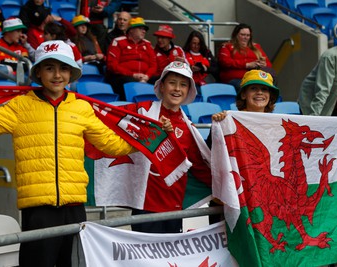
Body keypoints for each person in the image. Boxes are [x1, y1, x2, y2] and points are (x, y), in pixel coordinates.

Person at [0, 40, 136, 266]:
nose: (57, 75)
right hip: (38, 208)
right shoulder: (20, 106)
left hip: (74, 206)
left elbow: (112, 144)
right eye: (49, 68)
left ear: (71, 73)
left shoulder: (81, 108)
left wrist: (143, 140)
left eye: (63, 68)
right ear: (38, 72)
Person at [119, 61, 212, 233]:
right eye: (172, 83)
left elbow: (199, 168)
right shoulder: (141, 112)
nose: (177, 89)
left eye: (183, 85)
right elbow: (113, 119)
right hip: (144, 205)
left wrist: (226, 189)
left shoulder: (188, 128)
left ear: (188, 91)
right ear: (162, 86)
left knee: (169, 260)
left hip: (174, 207)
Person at [207, 69, 279, 224]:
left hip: (263, 202)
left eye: (264, 89)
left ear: (271, 97)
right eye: (253, 88)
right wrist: (217, 127)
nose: (259, 93)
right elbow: (211, 156)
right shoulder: (227, 121)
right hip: (232, 201)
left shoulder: (277, 126)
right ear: (244, 94)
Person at [298, 27, 337, 117]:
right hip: (312, 106)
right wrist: (313, 118)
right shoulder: (330, 57)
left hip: (335, 105)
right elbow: (322, 91)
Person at [105, 16, 157, 100]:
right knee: (128, 81)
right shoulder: (118, 41)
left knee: (162, 81)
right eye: (141, 28)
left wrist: (147, 76)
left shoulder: (147, 44)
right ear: (131, 30)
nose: (144, 31)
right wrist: (133, 75)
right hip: (123, 77)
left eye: (144, 29)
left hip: (144, 77)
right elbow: (112, 65)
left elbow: (153, 65)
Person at [218, 23, 272, 92]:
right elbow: (224, 62)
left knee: (271, 88)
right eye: (242, 35)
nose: (245, 37)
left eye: (248, 35)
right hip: (235, 78)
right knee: (247, 89)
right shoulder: (227, 46)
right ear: (236, 35)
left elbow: (269, 64)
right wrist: (247, 65)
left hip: (255, 77)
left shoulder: (256, 46)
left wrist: (263, 64)